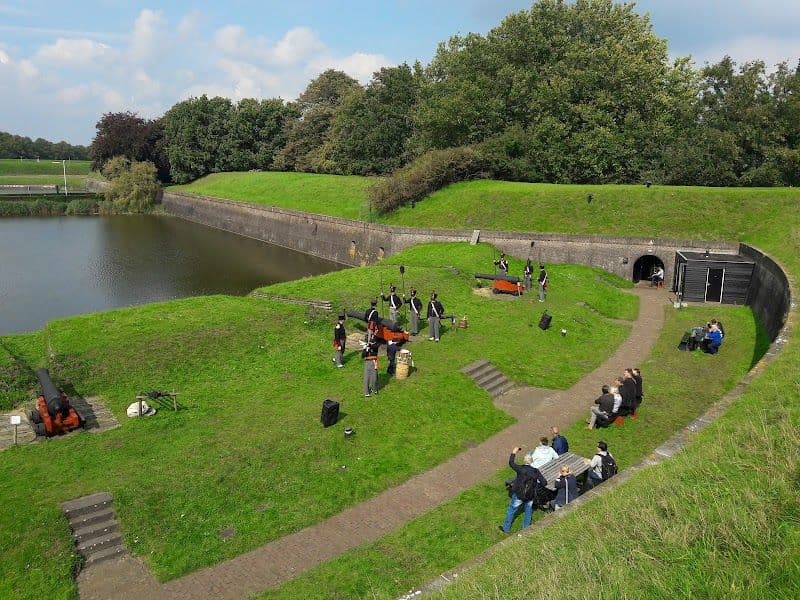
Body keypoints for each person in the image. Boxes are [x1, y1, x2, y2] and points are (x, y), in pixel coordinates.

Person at [500, 446, 547, 533]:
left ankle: (506, 528)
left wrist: (514, 452)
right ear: (531, 461)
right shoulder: (536, 471)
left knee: (511, 509)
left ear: (524, 461)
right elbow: (544, 483)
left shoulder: (521, 469)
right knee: (528, 511)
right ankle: (526, 529)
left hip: (519, 494)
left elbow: (511, 462)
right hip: (530, 495)